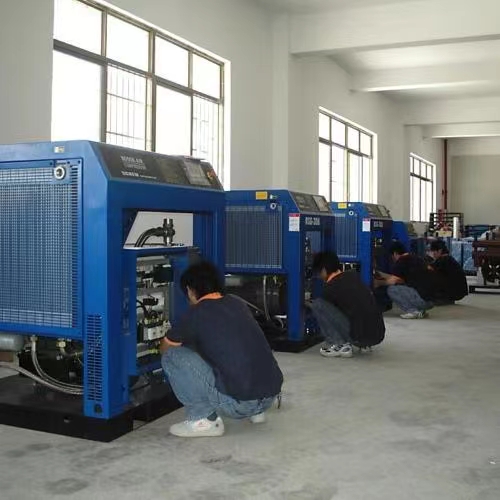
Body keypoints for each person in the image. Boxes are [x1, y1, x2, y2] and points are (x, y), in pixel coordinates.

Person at [159, 261, 283, 438]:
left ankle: (203, 420)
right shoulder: (236, 303)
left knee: (173, 356)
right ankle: (256, 412)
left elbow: (166, 348)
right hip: (269, 396)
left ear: (190, 290)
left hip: (240, 405)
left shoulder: (196, 313)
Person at [309, 252, 385, 358]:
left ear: (324, 270)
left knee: (318, 304)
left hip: (359, 337)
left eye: (318, 273)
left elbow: (331, 316)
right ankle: (363, 344)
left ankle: (339, 345)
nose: (319, 277)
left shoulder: (330, 288)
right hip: (377, 335)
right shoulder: (353, 276)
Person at [377, 242, 436, 319]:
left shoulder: (401, 261)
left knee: (391, 289)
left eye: (392, 257)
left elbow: (394, 281)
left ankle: (413, 311)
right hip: (432, 301)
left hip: (421, 300)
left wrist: (378, 283)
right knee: (408, 286)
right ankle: (421, 311)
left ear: (395, 254)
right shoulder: (417, 258)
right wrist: (380, 273)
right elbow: (398, 278)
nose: (392, 259)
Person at [428, 240, 468, 304]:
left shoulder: (443, 260)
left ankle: (443, 297)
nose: (433, 255)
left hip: (453, 293)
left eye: (433, 252)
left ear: (440, 251)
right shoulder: (449, 259)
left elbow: (428, 269)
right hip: (459, 292)